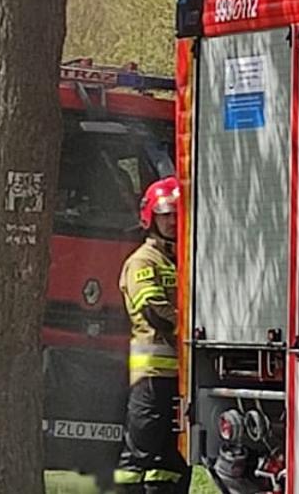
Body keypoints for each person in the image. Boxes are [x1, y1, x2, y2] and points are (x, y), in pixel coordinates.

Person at [113, 177, 189, 494]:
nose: (172, 221)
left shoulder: (185, 259)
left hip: (181, 378)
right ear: (150, 217)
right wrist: (189, 335)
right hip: (152, 377)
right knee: (139, 459)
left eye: (176, 214)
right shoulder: (143, 261)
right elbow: (155, 311)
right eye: (164, 214)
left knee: (171, 464)